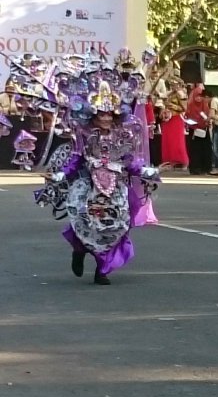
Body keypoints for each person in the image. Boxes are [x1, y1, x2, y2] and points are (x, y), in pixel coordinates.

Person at [35, 55, 161, 285]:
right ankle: (79, 251)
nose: (105, 118)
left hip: (115, 187)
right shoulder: (85, 134)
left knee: (116, 225)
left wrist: (146, 172)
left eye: (109, 114)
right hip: (89, 185)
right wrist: (62, 174)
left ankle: (102, 269)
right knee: (85, 221)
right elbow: (75, 159)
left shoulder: (123, 135)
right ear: (94, 115)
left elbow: (129, 162)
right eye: (101, 114)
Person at [160, 73, 189, 169]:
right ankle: (170, 161)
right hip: (168, 119)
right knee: (168, 141)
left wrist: (172, 106)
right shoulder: (169, 94)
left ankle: (182, 161)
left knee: (177, 141)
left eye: (174, 84)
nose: (172, 86)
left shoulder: (181, 94)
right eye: (171, 85)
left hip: (176, 118)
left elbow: (184, 108)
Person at [185, 86, 212, 175]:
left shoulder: (205, 105)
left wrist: (206, 121)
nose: (199, 98)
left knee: (205, 149)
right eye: (197, 96)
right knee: (194, 150)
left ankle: (205, 168)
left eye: (200, 96)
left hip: (204, 130)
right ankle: (195, 168)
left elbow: (208, 116)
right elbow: (188, 116)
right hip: (194, 131)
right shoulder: (191, 105)